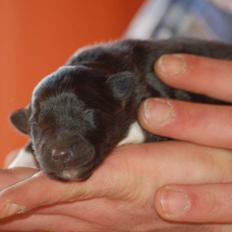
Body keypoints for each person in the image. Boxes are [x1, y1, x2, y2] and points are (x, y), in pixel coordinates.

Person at [1, 0, 232, 231]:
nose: (59, 150)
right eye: (40, 131)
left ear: (119, 95)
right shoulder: (178, 14)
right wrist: (25, 162)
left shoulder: (138, 82)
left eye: (84, 115)